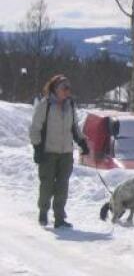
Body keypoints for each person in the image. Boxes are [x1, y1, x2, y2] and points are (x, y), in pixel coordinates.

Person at [29, 75, 89, 228]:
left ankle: (59, 217)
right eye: (64, 88)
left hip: (66, 153)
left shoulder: (70, 104)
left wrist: (82, 142)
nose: (68, 91)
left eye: (69, 88)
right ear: (56, 89)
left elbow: (74, 127)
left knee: (62, 186)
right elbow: (35, 128)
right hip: (48, 152)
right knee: (47, 185)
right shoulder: (45, 105)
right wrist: (37, 148)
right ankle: (43, 212)